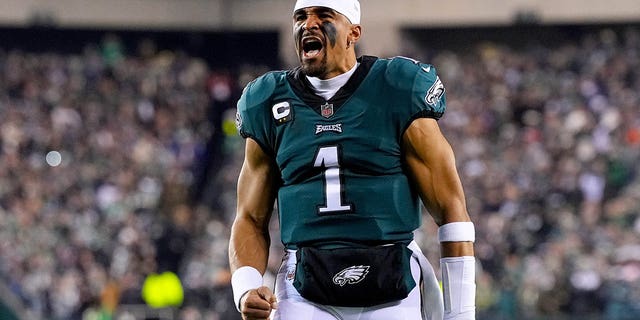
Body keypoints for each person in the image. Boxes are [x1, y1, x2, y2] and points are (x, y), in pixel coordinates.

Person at [228, 0, 476, 319]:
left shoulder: (396, 88)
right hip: (305, 285)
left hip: (393, 281)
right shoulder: (268, 100)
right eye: (300, 17)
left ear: (353, 33)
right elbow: (249, 216)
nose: (309, 24)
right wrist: (246, 286)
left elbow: (452, 209)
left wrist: (461, 313)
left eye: (324, 16)